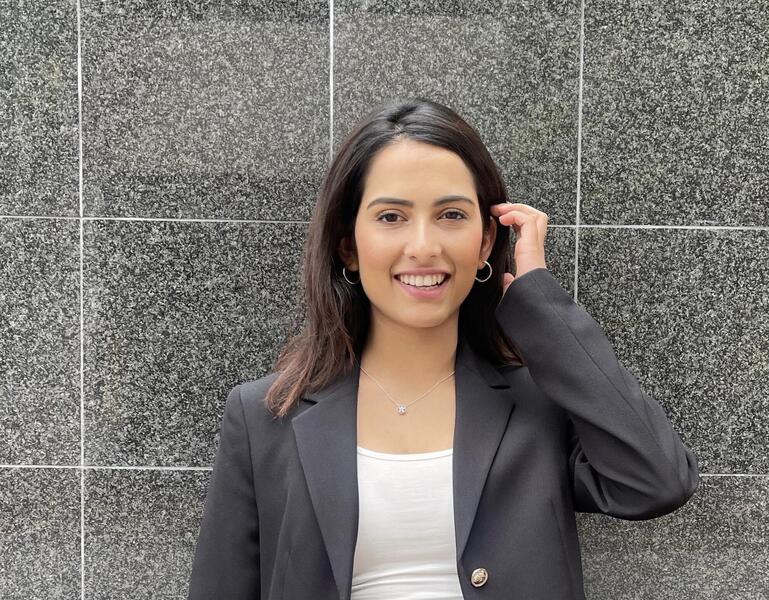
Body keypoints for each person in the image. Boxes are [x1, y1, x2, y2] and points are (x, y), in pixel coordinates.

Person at [188, 97, 700, 600]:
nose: (424, 247)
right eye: (391, 217)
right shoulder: (264, 417)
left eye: (451, 215)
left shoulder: (539, 406)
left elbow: (655, 481)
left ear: (484, 242)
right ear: (348, 245)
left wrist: (540, 304)